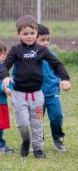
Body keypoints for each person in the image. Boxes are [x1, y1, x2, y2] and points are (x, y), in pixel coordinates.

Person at [0, 15, 71, 159]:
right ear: (19, 34)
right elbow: (5, 65)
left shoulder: (42, 50)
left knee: (38, 122)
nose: (29, 36)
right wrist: (5, 76)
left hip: (37, 96)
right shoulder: (15, 50)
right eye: (25, 34)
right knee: (23, 122)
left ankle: (38, 149)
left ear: (36, 33)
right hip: (19, 95)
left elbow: (57, 64)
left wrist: (64, 79)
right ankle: (26, 140)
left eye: (32, 33)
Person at [36, 24, 70, 152]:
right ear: (34, 39)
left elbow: (60, 68)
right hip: (37, 96)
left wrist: (64, 80)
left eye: (47, 40)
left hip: (52, 94)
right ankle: (38, 140)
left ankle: (58, 138)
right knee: (37, 119)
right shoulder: (29, 57)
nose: (46, 43)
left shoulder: (52, 56)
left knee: (57, 116)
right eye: (42, 40)